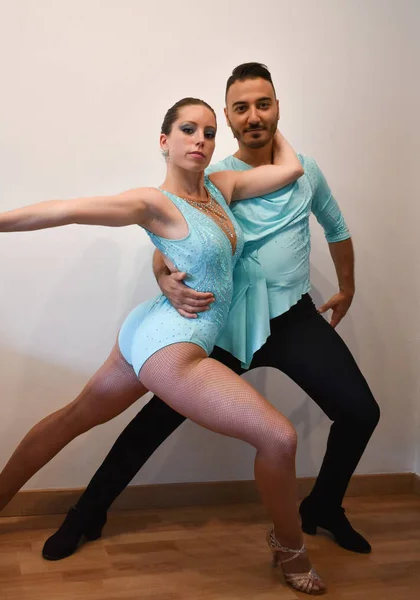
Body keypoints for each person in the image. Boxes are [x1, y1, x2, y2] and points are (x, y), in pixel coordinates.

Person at [0, 98, 325, 594]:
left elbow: (291, 168)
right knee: (279, 438)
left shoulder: (223, 187)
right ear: (165, 142)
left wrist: (269, 123)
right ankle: (291, 547)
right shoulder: (153, 203)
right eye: (188, 129)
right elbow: (67, 211)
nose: (200, 139)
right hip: (171, 346)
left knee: (74, 416)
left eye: (210, 132)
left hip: (149, 329)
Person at [43, 63, 380, 564]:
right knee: (154, 420)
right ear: (228, 116)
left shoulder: (305, 170)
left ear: (277, 107)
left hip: (293, 318)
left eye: (262, 104)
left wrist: (347, 286)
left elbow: (336, 227)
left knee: (360, 412)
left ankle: (324, 507)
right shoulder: (215, 178)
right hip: (225, 322)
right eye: (240, 108)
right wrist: (164, 280)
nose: (253, 116)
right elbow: (169, 240)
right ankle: (87, 513)